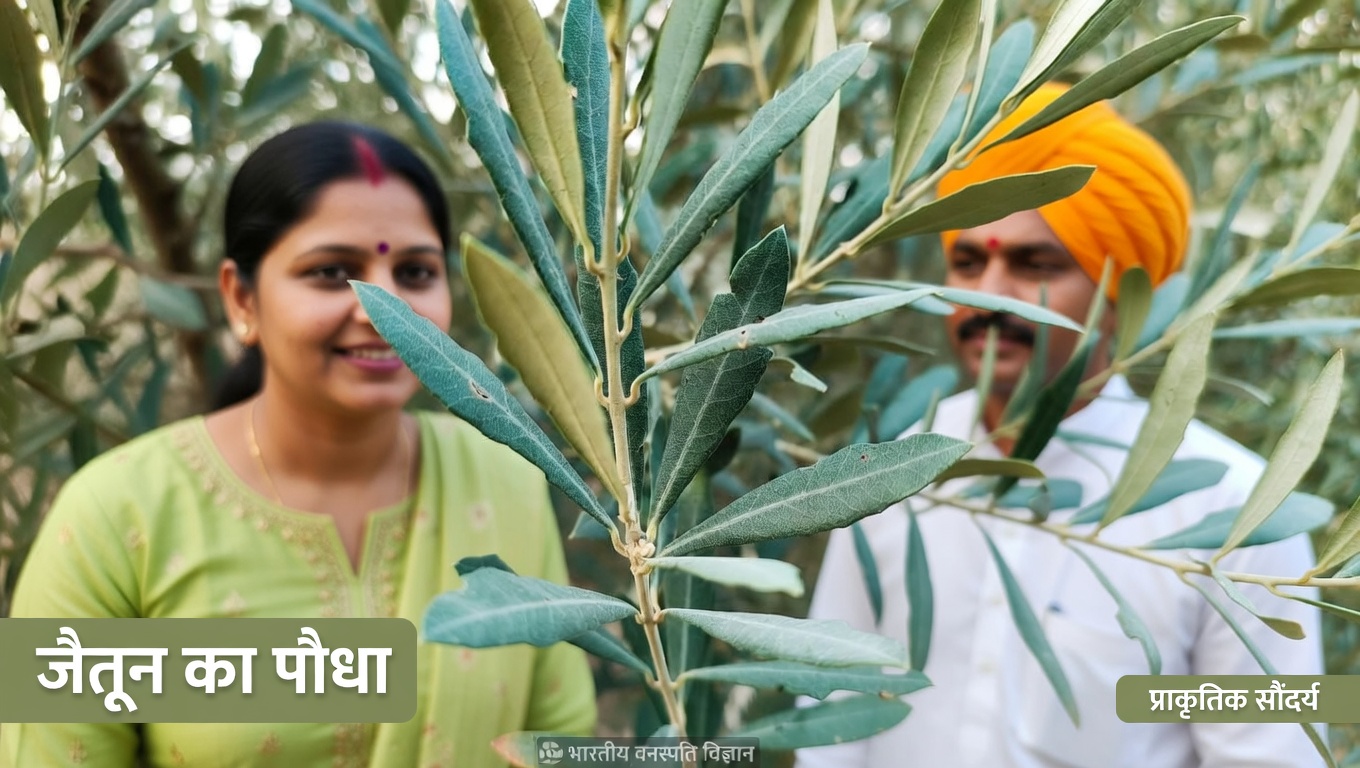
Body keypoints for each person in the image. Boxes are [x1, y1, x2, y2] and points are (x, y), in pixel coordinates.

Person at [2, 122, 596, 767]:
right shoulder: (115, 519)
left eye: (417, 271)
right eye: (332, 271)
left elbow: (559, 740)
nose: (384, 308)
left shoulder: (505, 473)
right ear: (241, 299)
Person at [796, 84, 1324, 768]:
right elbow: (830, 717)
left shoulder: (1240, 512)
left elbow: (1267, 755)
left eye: (1034, 265)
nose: (985, 295)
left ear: (1118, 295)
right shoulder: (878, 475)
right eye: (967, 261)